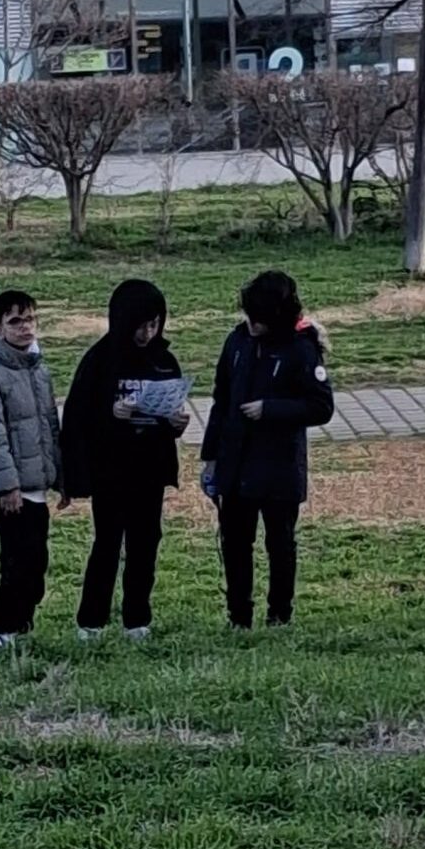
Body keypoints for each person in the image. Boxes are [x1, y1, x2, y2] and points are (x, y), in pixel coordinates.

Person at [200, 270, 335, 630]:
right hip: (236, 462)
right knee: (235, 542)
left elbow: (321, 407)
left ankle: (279, 614)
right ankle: (238, 615)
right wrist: (210, 457)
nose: (251, 324)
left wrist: (270, 409)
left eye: (258, 318)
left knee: (280, 543)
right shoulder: (237, 341)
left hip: (279, 466)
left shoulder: (302, 349)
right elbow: (221, 400)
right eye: (249, 315)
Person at [62, 279, 190, 642]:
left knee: (145, 544)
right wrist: (111, 412)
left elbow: (171, 412)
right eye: (140, 325)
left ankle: (137, 619)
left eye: (154, 324)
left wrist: (177, 424)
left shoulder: (164, 360)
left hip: (150, 470)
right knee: (107, 544)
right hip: (111, 470)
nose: (147, 333)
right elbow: (77, 417)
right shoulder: (100, 360)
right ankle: (91, 621)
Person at [0, 289, 65, 653]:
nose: (25, 327)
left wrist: (61, 478)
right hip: (8, 488)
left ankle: (20, 627)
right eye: (15, 321)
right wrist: (7, 486)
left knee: (36, 561)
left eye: (30, 319)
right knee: (18, 560)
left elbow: (49, 427)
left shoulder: (39, 371)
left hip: (36, 484)